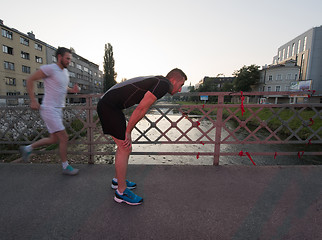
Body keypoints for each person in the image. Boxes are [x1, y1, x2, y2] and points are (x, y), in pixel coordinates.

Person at [97, 68, 187, 205]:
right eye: (181, 85)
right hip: (109, 107)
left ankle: (117, 180)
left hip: (110, 105)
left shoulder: (159, 80)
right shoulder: (163, 85)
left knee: (124, 147)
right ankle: (121, 192)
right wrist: (128, 131)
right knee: (124, 148)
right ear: (173, 81)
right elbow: (141, 109)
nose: (180, 90)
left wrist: (127, 131)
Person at [20, 47, 80, 176]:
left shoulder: (65, 72)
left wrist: (72, 90)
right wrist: (33, 100)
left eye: (70, 59)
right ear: (59, 57)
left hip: (58, 110)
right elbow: (30, 79)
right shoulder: (50, 68)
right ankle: (65, 166)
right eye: (67, 58)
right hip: (49, 109)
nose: (69, 61)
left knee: (53, 139)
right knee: (64, 137)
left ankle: (27, 148)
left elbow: (62, 87)